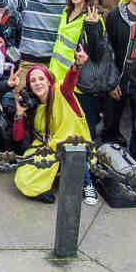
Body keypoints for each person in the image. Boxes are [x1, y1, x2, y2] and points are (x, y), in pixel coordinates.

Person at [12, 57, 91, 203]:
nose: (38, 83)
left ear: (49, 81)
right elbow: (17, 137)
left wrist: (76, 65)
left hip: (71, 145)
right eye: (33, 81)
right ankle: (44, 188)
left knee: (74, 155)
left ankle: (87, 184)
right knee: (23, 176)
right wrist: (19, 113)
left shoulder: (62, 92)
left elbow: (70, 81)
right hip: (46, 147)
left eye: (41, 79)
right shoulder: (32, 105)